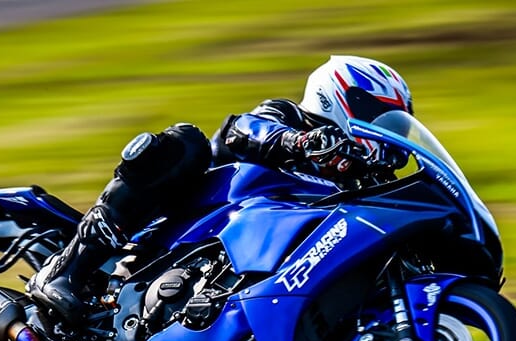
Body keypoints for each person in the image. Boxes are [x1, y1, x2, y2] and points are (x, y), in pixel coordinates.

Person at [27, 55, 413, 323]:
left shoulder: (361, 183)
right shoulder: (287, 117)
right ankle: (68, 270)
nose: (386, 135)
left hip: (250, 276)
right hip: (180, 235)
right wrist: (299, 143)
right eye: (378, 117)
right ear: (343, 99)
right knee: (184, 143)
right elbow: (242, 131)